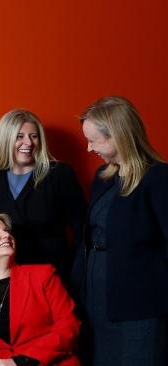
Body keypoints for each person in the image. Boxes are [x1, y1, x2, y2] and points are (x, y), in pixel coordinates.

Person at [72, 96, 168, 365]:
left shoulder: (158, 178)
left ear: (118, 136)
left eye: (94, 140)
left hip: (139, 307)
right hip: (97, 302)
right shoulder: (104, 176)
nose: (89, 148)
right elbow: (89, 239)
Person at [0, 109, 86, 282]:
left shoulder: (60, 175)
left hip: (53, 276)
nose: (28, 142)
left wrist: (77, 271)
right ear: (5, 139)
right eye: (19, 136)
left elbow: (83, 229)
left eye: (34, 136)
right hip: (5, 277)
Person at [0, 211, 80, 366]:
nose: (6, 235)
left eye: (7, 231)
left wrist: (21, 362)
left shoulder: (43, 276)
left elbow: (69, 327)